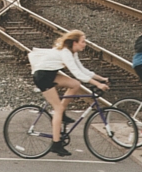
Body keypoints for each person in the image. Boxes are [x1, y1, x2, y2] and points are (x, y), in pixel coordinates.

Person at [27, 29, 110, 157]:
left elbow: (83, 70)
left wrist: (101, 78)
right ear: (74, 42)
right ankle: (56, 144)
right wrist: (98, 84)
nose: (85, 44)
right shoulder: (65, 53)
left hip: (50, 74)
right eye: (83, 41)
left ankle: (62, 113)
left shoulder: (72, 52)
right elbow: (77, 73)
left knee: (75, 84)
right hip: (43, 77)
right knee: (57, 109)